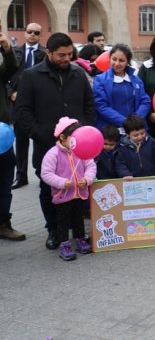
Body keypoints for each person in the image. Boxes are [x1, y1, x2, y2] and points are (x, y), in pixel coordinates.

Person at [15, 32, 96, 250]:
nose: (66, 59)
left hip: (77, 146)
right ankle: (53, 230)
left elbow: (89, 104)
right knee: (47, 188)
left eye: (70, 54)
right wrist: (39, 133)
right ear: (49, 53)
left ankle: (75, 230)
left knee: (78, 189)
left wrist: (84, 130)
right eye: (61, 55)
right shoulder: (31, 76)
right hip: (46, 146)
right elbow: (22, 111)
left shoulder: (78, 74)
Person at [40, 117, 96, 261]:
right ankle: (64, 244)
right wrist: (62, 182)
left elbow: (91, 166)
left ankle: (80, 239)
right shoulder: (53, 154)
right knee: (63, 221)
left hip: (80, 194)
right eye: (73, 138)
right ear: (62, 137)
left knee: (79, 218)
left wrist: (87, 179)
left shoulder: (81, 149)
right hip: (62, 195)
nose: (76, 141)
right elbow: (46, 174)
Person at [9, 21, 45, 189]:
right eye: (30, 31)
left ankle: (42, 174)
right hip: (19, 105)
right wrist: (11, 92)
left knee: (40, 141)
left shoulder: (45, 54)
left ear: (40, 35)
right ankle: (21, 176)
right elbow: (5, 76)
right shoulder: (15, 52)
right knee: (21, 142)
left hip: (38, 105)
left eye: (36, 33)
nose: (32, 35)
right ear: (25, 33)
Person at [0, 26, 24, 241]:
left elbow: (10, 69)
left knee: (5, 180)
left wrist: (6, 48)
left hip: (2, 136)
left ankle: (3, 223)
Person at [93, 44, 151, 130]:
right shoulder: (100, 80)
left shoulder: (136, 80)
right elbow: (101, 105)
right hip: (111, 130)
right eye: (114, 59)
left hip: (136, 129)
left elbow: (145, 100)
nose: (117, 63)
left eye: (121, 60)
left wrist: (136, 120)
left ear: (128, 61)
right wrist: (124, 122)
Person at [115, 115, 155, 179]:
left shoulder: (152, 142)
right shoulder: (122, 147)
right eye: (135, 135)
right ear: (128, 134)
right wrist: (125, 174)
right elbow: (120, 164)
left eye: (142, 133)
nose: (140, 137)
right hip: (133, 181)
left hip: (153, 178)